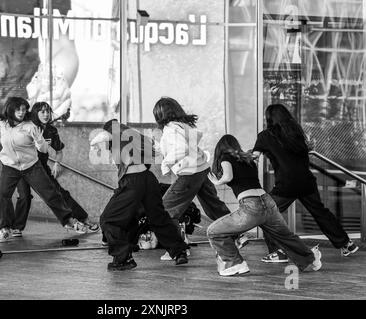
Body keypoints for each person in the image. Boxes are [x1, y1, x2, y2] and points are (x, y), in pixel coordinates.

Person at [253, 104, 358, 262]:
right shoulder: (296, 132)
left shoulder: (265, 136)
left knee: (266, 214)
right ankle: (346, 243)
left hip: (286, 184)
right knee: (320, 212)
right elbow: (306, 148)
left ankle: (278, 252)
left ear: (269, 118)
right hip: (307, 181)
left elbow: (254, 157)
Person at [207, 134, 322, 276]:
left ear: (220, 148)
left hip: (251, 206)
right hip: (268, 201)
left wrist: (216, 182)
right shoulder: (248, 159)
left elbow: (228, 176)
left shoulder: (225, 157)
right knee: (285, 236)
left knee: (214, 231)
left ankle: (235, 263)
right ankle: (311, 260)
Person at [91, 119, 189, 271]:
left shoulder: (116, 135)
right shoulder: (137, 138)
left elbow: (105, 137)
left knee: (108, 220)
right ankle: (179, 251)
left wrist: (96, 141)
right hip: (148, 179)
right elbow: (153, 150)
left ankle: (124, 258)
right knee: (157, 217)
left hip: (133, 182)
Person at [0, 97, 85, 242]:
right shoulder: (2, 125)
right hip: (10, 166)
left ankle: (69, 221)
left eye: (23, 109)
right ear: (10, 109)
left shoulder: (30, 126)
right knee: (3, 195)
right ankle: (5, 229)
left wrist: (40, 142)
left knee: (50, 194)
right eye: (18, 109)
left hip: (31, 166)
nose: (21, 112)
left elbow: (43, 148)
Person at [153, 97, 231, 260]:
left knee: (166, 210)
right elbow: (186, 147)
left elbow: (181, 148)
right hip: (201, 170)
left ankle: (178, 249)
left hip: (189, 174)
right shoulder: (184, 126)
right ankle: (238, 235)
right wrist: (160, 148)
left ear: (160, 114)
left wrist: (166, 163)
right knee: (213, 206)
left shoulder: (170, 128)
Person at [8, 101, 99, 237]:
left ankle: (83, 219)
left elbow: (59, 150)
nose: (46, 114)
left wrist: (57, 163)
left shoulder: (51, 130)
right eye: (42, 112)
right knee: (24, 197)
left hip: (41, 169)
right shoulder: (27, 126)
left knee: (60, 193)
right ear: (35, 113)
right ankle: (17, 228)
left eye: (48, 111)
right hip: (21, 167)